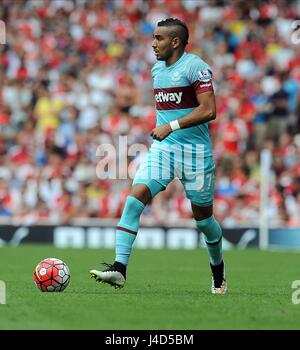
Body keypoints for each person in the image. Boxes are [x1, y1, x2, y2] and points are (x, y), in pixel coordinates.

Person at [90, 18, 227, 294]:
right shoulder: (156, 70)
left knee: (204, 222)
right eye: (153, 38)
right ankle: (119, 268)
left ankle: (218, 271)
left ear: (175, 42)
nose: (153, 44)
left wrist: (171, 126)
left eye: (159, 38)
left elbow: (209, 110)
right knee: (135, 197)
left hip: (195, 154)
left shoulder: (195, 67)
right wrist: (167, 130)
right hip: (163, 150)